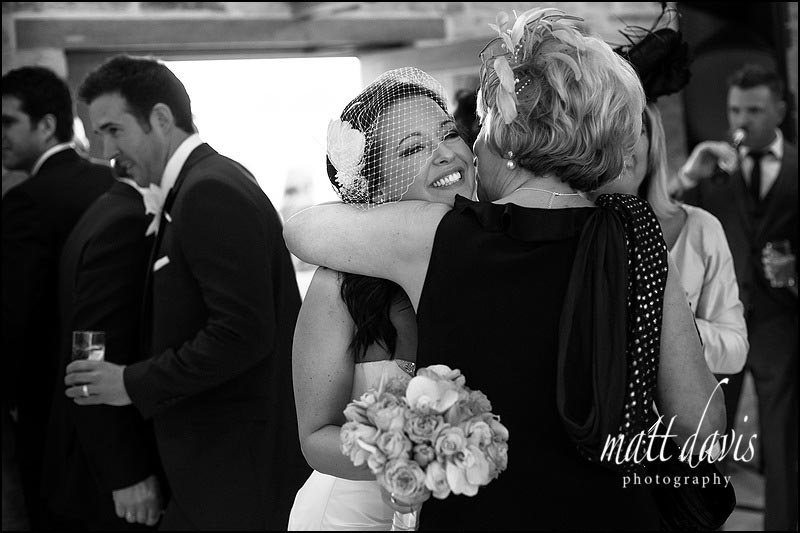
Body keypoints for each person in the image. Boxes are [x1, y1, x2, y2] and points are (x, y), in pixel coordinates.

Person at [285, 9, 726, 530]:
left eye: (477, 124)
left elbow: (301, 229)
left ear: (510, 141)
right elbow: (704, 429)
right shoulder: (635, 234)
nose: (467, 144)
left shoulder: (436, 238)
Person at [62, 55, 308, 530]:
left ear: (160, 118)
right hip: (217, 466)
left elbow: (242, 333)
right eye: (98, 135)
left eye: (114, 131)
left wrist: (129, 383)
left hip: (235, 468)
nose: (105, 151)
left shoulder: (208, 191)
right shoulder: (199, 184)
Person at [288, 67, 477, 531]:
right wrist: (416, 460)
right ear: (376, 184)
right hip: (352, 518)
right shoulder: (340, 284)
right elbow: (315, 436)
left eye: (448, 133)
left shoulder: (499, 255)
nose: (443, 154)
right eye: (413, 148)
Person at [676, 63, 798, 531]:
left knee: (781, 436)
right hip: (718, 324)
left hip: (777, 326)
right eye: (734, 110)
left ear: (780, 111)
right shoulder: (710, 166)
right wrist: (688, 174)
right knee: (703, 433)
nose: (741, 121)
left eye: (754, 110)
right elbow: (665, 216)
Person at [1, 65, 114, 530]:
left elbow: (16, 312)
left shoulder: (26, 199)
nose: (0, 135)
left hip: (49, 395)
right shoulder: (109, 184)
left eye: (8, 122)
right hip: (111, 384)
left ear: (46, 124)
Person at [41, 158, 164, 529]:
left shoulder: (106, 208)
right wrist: (125, 472)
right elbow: (89, 353)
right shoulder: (126, 222)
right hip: (107, 477)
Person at [596, 107, 747, 373]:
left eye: (637, 130)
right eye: (611, 127)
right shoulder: (567, 233)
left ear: (653, 146)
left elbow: (734, 349)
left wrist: (665, 326)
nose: (624, 143)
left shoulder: (701, 229)